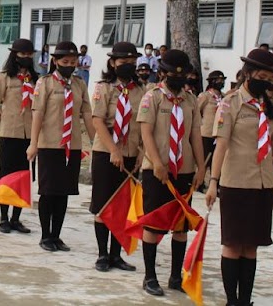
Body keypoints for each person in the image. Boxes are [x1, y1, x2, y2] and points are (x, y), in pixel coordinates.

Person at [205, 49, 273, 306]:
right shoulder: (231, 102)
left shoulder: (268, 106)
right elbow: (221, 145)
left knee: (252, 246)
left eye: (271, 78)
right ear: (248, 74)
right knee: (234, 244)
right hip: (236, 183)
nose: (266, 82)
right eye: (261, 76)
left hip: (262, 184)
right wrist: (213, 182)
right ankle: (231, 300)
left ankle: (245, 300)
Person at [137, 49, 205, 296]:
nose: (178, 78)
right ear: (162, 73)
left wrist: (201, 167)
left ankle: (176, 277)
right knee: (154, 223)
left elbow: (195, 134)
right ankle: (150, 276)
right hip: (156, 170)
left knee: (180, 225)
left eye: (183, 74)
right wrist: (157, 162)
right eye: (172, 74)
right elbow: (146, 132)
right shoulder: (152, 97)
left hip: (184, 170)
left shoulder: (190, 100)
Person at [27, 41, 94, 253]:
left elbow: (87, 114)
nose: (69, 65)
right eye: (65, 62)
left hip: (70, 146)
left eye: (73, 62)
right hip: (49, 144)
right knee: (48, 191)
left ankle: (57, 235)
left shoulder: (79, 84)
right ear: (55, 61)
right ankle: (45, 235)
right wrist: (33, 144)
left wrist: (96, 142)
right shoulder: (44, 83)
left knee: (64, 192)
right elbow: (37, 113)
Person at [90, 41, 143, 272]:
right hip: (106, 152)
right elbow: (98, 121)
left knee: (122, 207)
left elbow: (142, 124)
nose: (128, 66)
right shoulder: (104, 88)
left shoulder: (141, 90)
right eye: (123, 62)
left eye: (132, 62)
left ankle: (116, 255)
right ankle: (102, 254)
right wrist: (113, 149)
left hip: (130, 153)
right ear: (113, 63)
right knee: (103, 206)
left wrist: (141, 151)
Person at [0, 38, 36, 234]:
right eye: (22, 54)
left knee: (23, 178)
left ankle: (16, 218)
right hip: (10, 133)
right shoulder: (4, 77)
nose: (26, 58)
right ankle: (3, 218)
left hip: (30, 136)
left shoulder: (36, 79)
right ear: (14, 55)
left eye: (29, 55)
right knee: (7, 176)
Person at [197, 70, 226, 186]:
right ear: (213, 81)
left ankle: (216, 182)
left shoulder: (224, 97)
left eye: (222, 80)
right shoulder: (205, 96)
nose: (221, 82)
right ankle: (200, 181)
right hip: (207, 133)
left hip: (219, 133)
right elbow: (197, 111)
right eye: (219, 80)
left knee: (217, 159)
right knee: (204, 159)